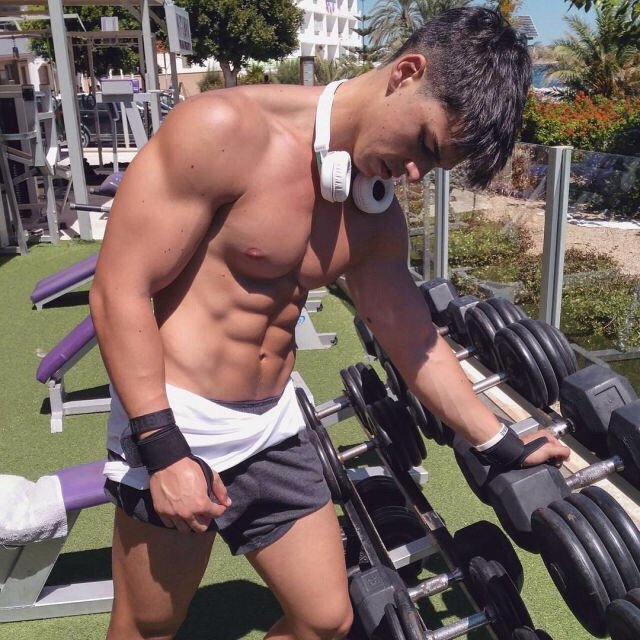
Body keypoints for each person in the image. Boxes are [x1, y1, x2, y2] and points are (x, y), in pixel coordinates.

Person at [90, 7, 570, 640]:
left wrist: (498, 439)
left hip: (273, 424)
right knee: (148, 625)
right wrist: (163, 449)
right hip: (180, 419)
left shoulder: (372, 213)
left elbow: (410, 335)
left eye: (435, 167)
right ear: (406, 72)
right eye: (424, 145)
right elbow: (119, 289)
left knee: (325, 620)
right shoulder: (224, 130)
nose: (415, 174)